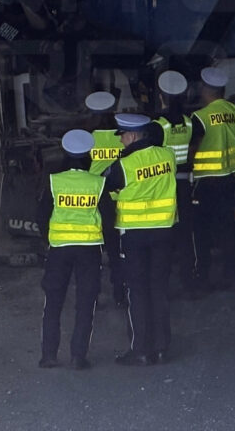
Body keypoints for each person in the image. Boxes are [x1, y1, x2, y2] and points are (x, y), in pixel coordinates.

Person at [102, 113, 177, 366]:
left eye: (122, 135)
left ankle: (141, 350)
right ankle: (162, 348)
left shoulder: (125, 164)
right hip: (164, 232)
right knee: (159, 288)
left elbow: (105, 184)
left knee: (137, 290)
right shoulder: (167, 156)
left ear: (133, 135)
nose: (121, 141)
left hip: (134, 235)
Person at [35, 129, 111, 370]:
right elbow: (108, 218)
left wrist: (47, 239)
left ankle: (48, 355)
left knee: (53, 301)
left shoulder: (54, 181)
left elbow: (40, 214)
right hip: (89, 250)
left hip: (59, 249)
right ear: (89, 155)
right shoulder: (98, 184)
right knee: (86, 302)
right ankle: (79, 356)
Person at [188, 66, 235, 291]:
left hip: (207, 180)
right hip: (230, 177)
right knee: (227, 226)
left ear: (206, 89)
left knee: (201, 229)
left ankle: (203, 277)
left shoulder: (200, 117)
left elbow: (194, 148)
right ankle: (233, 275)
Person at [154, 70, 197, 295]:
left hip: (164, 187)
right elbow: (192, 150)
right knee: (184, 236)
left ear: (161, 97)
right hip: (184, 186)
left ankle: (163, 286)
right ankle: (189, 282)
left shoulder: (158, 126)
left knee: (164, 238)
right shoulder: (189, 124)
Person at [84, 91, 127, 308]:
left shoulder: (88, 138)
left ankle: (93, 296)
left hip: (97, 202)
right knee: (117, 251)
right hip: (121, 199)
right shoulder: (123, 136)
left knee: (93, 252)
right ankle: (120, 292)